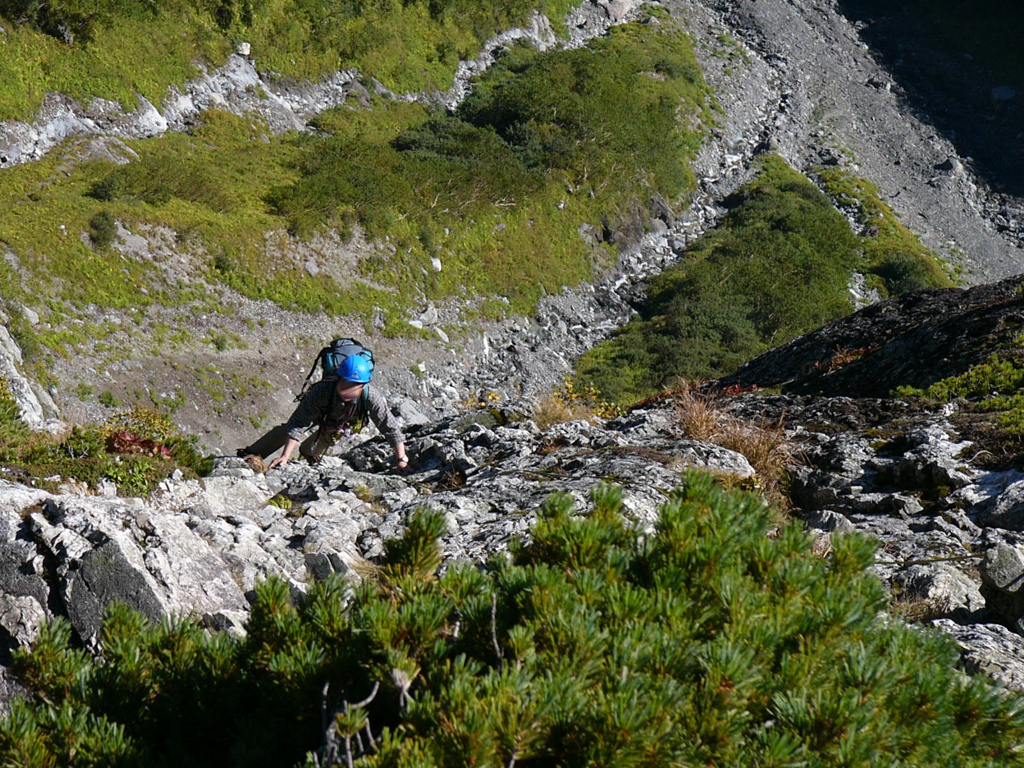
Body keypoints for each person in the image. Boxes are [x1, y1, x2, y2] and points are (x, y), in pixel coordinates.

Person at [238, 354, 409, 472]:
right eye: (345, 382)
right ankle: (250, 456)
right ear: (338, 378)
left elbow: (390, 426)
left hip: (339, 425)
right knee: (285, 431)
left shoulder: (372, 397)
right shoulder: (322, 390)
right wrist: (285, 456)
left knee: (309, 450)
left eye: (352, 385)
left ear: (363, 385)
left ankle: (307, 464)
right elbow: (299, 423)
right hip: (321, 412)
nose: (346, 388)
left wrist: (401, 458)